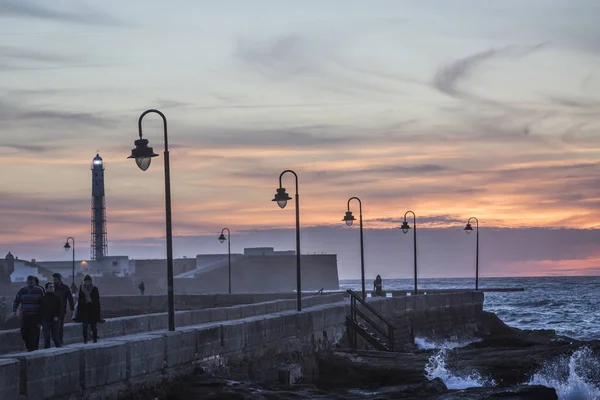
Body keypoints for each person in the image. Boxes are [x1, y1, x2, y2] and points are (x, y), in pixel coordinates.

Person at [12, 275, 44, 351]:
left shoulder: (39, 290)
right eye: (29, 282)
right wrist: (14, 310)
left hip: (35, 315)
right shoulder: (22, 290)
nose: (30, 283)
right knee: (24, 333)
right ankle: (29, 346)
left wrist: (42, 315)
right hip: (25, 315)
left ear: (34, 282)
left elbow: (43, 303)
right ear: (27, 282)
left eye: (32, 282)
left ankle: (32, 348)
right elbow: (16, 301)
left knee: (34, 333)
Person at [74, 275, 102, 344]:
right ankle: (85, 340)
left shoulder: (94, 289)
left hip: (93, 311)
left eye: (88, 281)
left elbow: (97, 300)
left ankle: (95, 339)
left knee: (94, 327)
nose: (87, 283)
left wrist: (98, 311)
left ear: (91, 281)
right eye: (86, 281)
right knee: (84, 326)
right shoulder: (81, 289)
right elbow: (79, 300)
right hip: (84, 311)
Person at [52, 273, 74, 345]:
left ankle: (60, 341)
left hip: (61, 310)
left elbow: (70, 299)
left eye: (56, 279)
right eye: (54, 279)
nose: (54, 281)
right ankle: (56, 341)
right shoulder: (52, 288)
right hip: (52, 311)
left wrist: (72, 309)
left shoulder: (65, 288)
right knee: (54, 327)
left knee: (60, 326)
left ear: (59, 279)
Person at [39, 282, 62, 348]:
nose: (52, 288)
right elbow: (40, 310)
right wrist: (40, 321)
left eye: (53, 287)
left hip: (55, 320)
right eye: (50, 287)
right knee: (47, 337)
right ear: (46, 289)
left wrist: (57, 316)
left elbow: (60, 308)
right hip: (45, 320)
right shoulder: (42, 298)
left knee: (55, 337)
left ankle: (59, 349)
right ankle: (46, 351)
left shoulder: (57, 298)